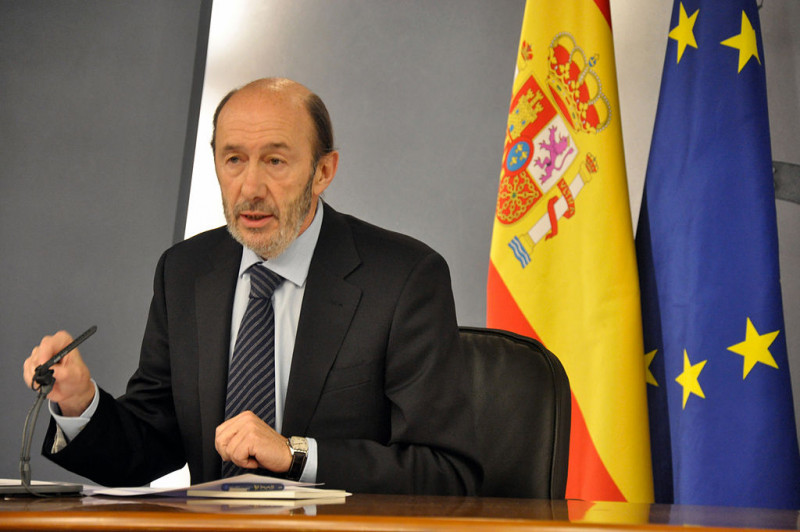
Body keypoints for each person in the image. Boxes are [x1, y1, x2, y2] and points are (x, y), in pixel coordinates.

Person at [22, 78, 480, 495]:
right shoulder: (184, 271)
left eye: (276, 161)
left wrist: (295, 454)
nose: (251, 187)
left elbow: (446, 473)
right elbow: (147, 447)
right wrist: (82, 403)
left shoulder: (404, 277)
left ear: (323, 172)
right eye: (234, 160)